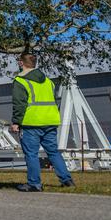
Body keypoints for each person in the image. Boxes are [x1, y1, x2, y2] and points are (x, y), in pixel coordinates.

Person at [10, 52, 74, 192]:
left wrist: (16, 122)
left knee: (31, 154)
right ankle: (67, 180)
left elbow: (19, 104)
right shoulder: (48, 81)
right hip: (50, 120)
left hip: (31, 122)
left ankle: (34, 184)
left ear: (21, 63)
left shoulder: (20, 81)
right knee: (53, 152)